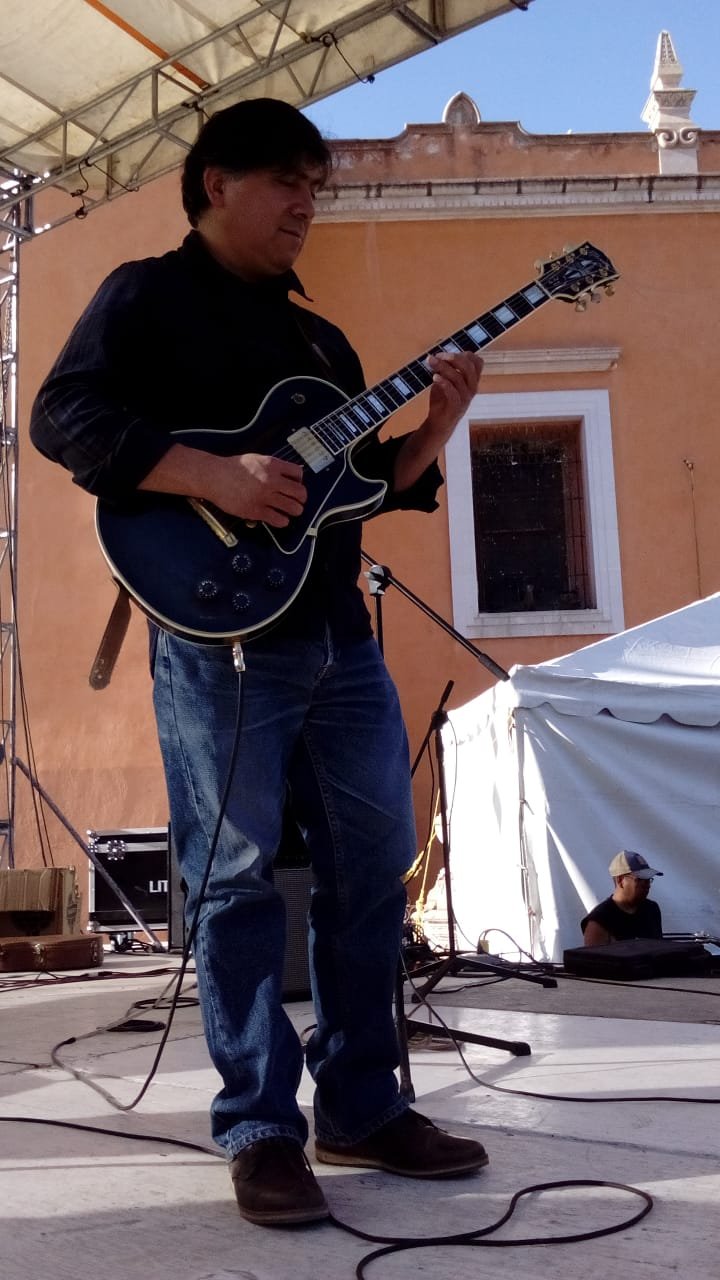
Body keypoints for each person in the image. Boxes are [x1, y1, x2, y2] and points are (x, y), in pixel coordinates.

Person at [29, 98, 488, 1226]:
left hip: (336, 635)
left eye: (315, 187)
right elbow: (63, 416)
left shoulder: (322, 346)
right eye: (286, 181)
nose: (305, 205)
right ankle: (262, 1128)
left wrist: (437, 426)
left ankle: (363, 1105)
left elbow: (359, 492)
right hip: (220, 639)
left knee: (372, 871)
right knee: (233, 881)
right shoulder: (146, 296)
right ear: (215, 184)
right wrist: (212, 475)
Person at [581, 850, 664, 946]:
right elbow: (593, 956)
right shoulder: (599, 921)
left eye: (648, 880)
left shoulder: (652, 909)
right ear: (620, 880)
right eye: (640, 879)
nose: (647, 885)